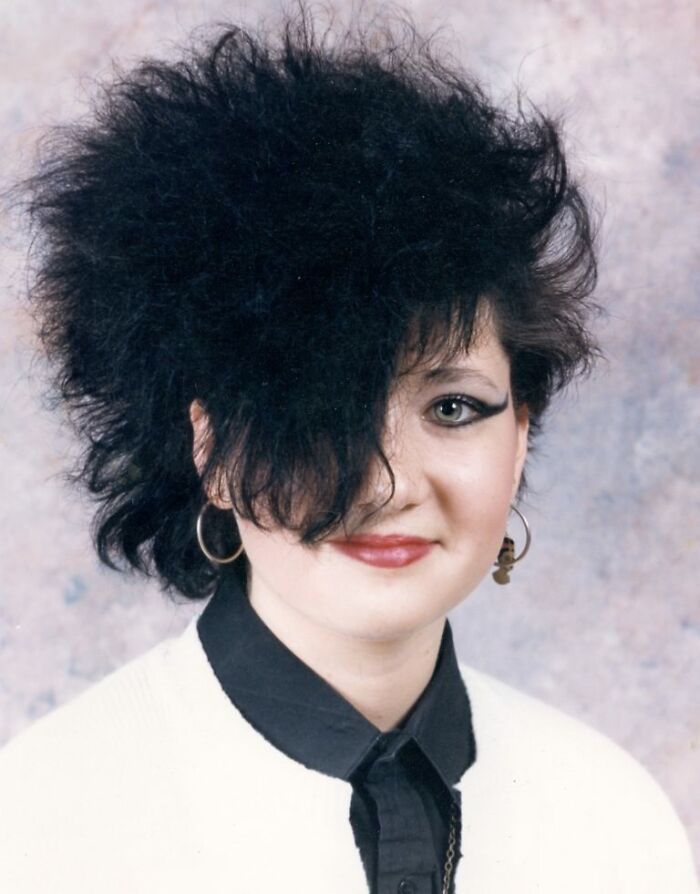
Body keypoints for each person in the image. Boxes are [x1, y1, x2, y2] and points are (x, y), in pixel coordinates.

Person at [0, 3, 697, 892]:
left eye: (452, 407)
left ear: (521, 432)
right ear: (210, 448)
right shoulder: (42, 825)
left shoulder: (615, 820)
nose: (390, 483)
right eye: (319, 409)